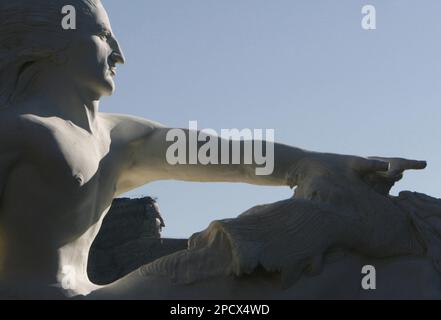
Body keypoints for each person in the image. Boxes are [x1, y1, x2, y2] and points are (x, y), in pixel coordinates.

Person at [0, 0, 427, 298]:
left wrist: (322, 166)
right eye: (102, 36)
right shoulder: (15, 131)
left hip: (97, 294)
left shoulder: (119, 136)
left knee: (319, 247)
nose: (121, 55)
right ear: (52, 41)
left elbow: (232, 157)